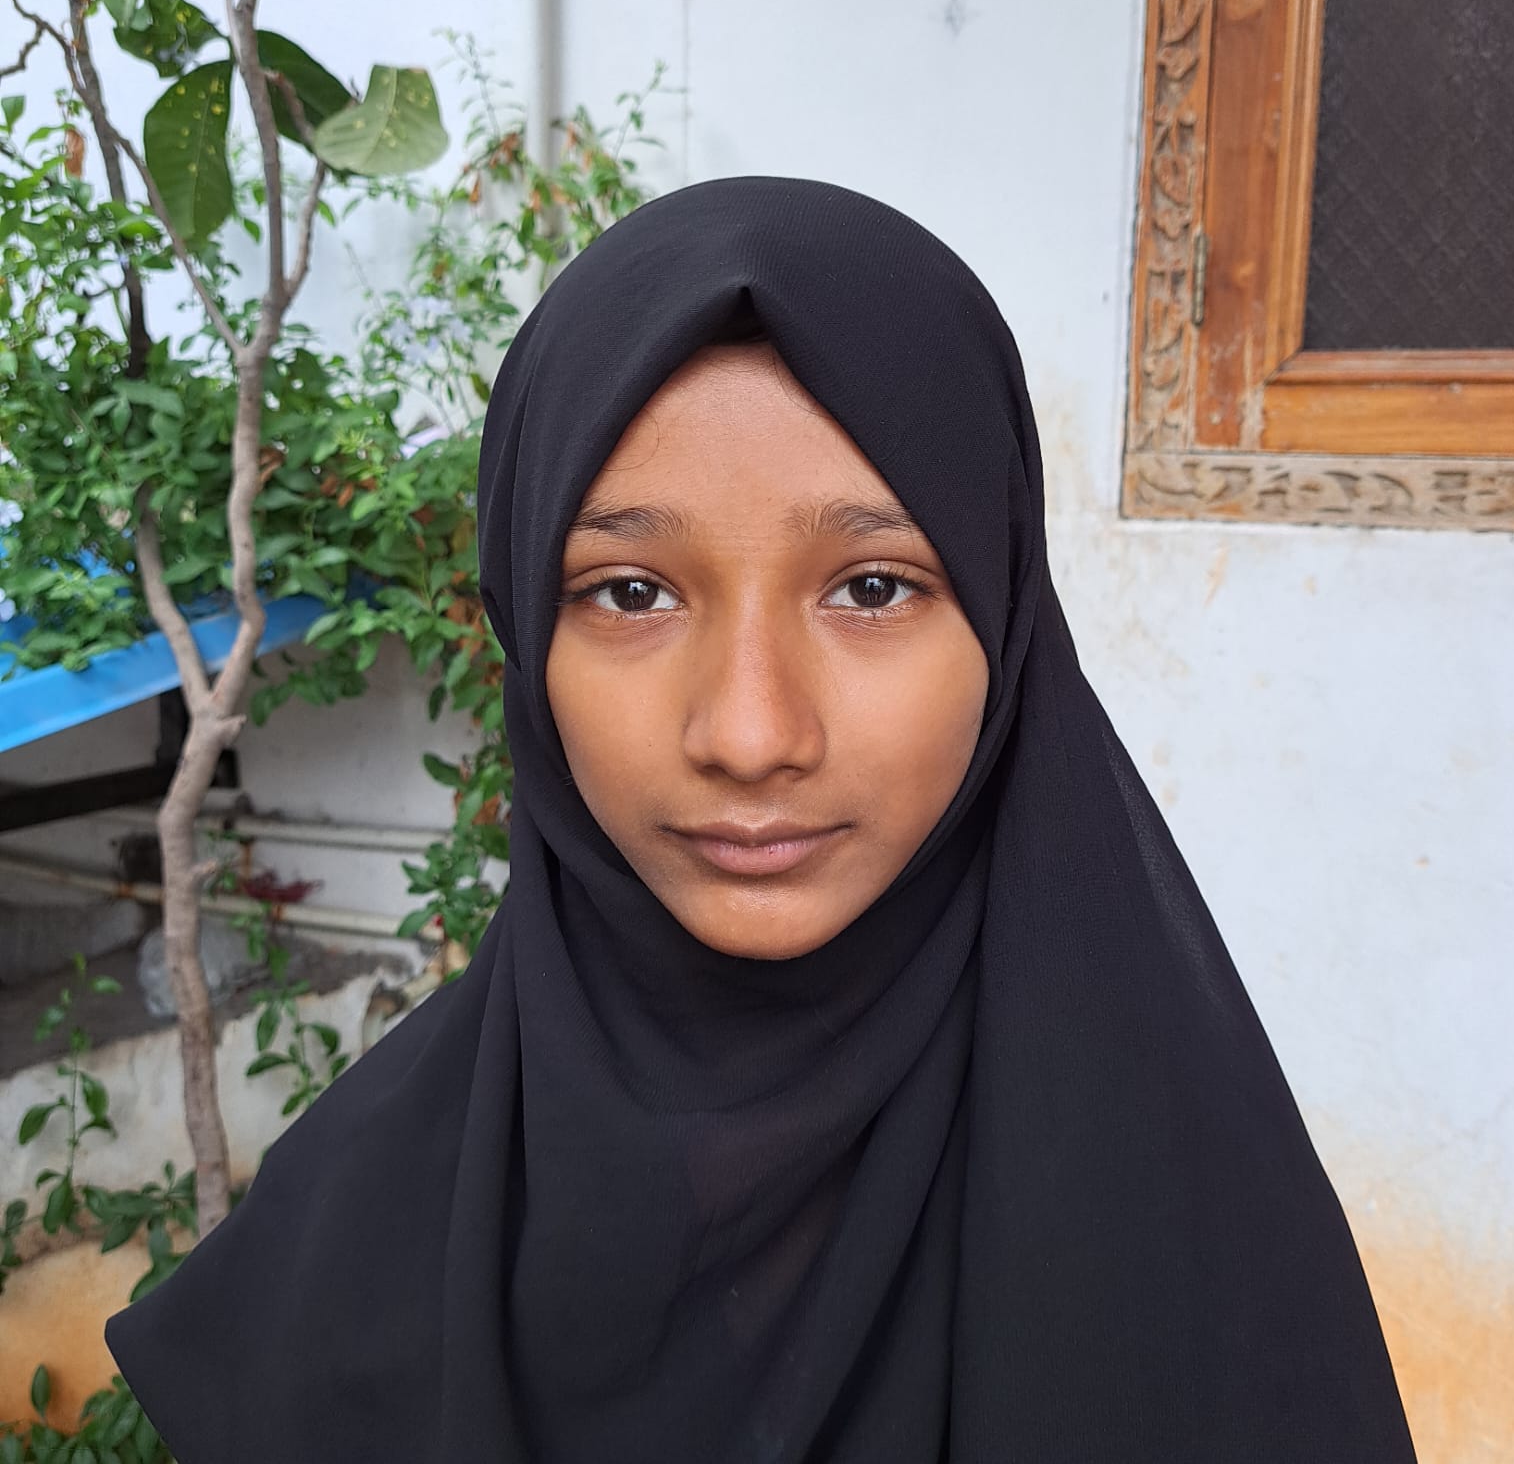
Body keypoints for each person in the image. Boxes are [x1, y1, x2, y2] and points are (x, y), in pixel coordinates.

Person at [105, 176, 1417, 1461]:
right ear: (524, 626)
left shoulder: (1192, 1235)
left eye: (871, 587)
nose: (748, 734)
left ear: (1005, 616)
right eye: (630, 593)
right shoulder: (352, 1248)